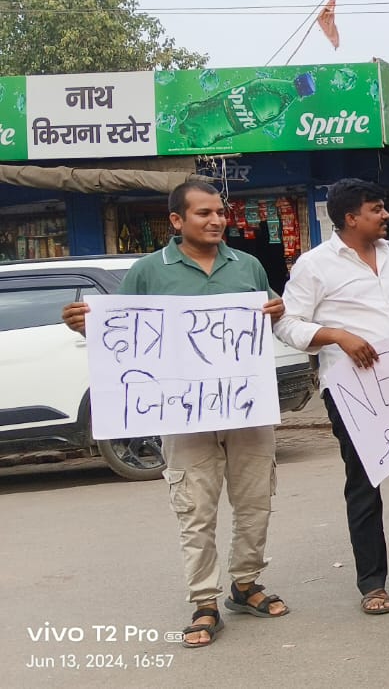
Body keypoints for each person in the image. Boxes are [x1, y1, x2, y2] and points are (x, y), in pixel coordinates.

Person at [62, 181, 288, 648]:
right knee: (195, 509)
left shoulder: (245, 265)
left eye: (220, 212)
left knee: (254, 503)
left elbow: (272, 315)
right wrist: (86, 320)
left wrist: (276, 309)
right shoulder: (148, 271)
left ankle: (246, 585)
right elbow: (120, 330)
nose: (216, 220)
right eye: (204, 213)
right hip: (183, 417)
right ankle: (204, 601)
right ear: (177, 221)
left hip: (245, 409)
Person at [274, 178, 389, 616]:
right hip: (352, 391)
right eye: (377, 209)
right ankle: (372, 584)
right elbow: (287, 324)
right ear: (350, 218)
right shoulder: (314, 265)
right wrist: (338, 336)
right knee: (365, 484)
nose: (386, 215)